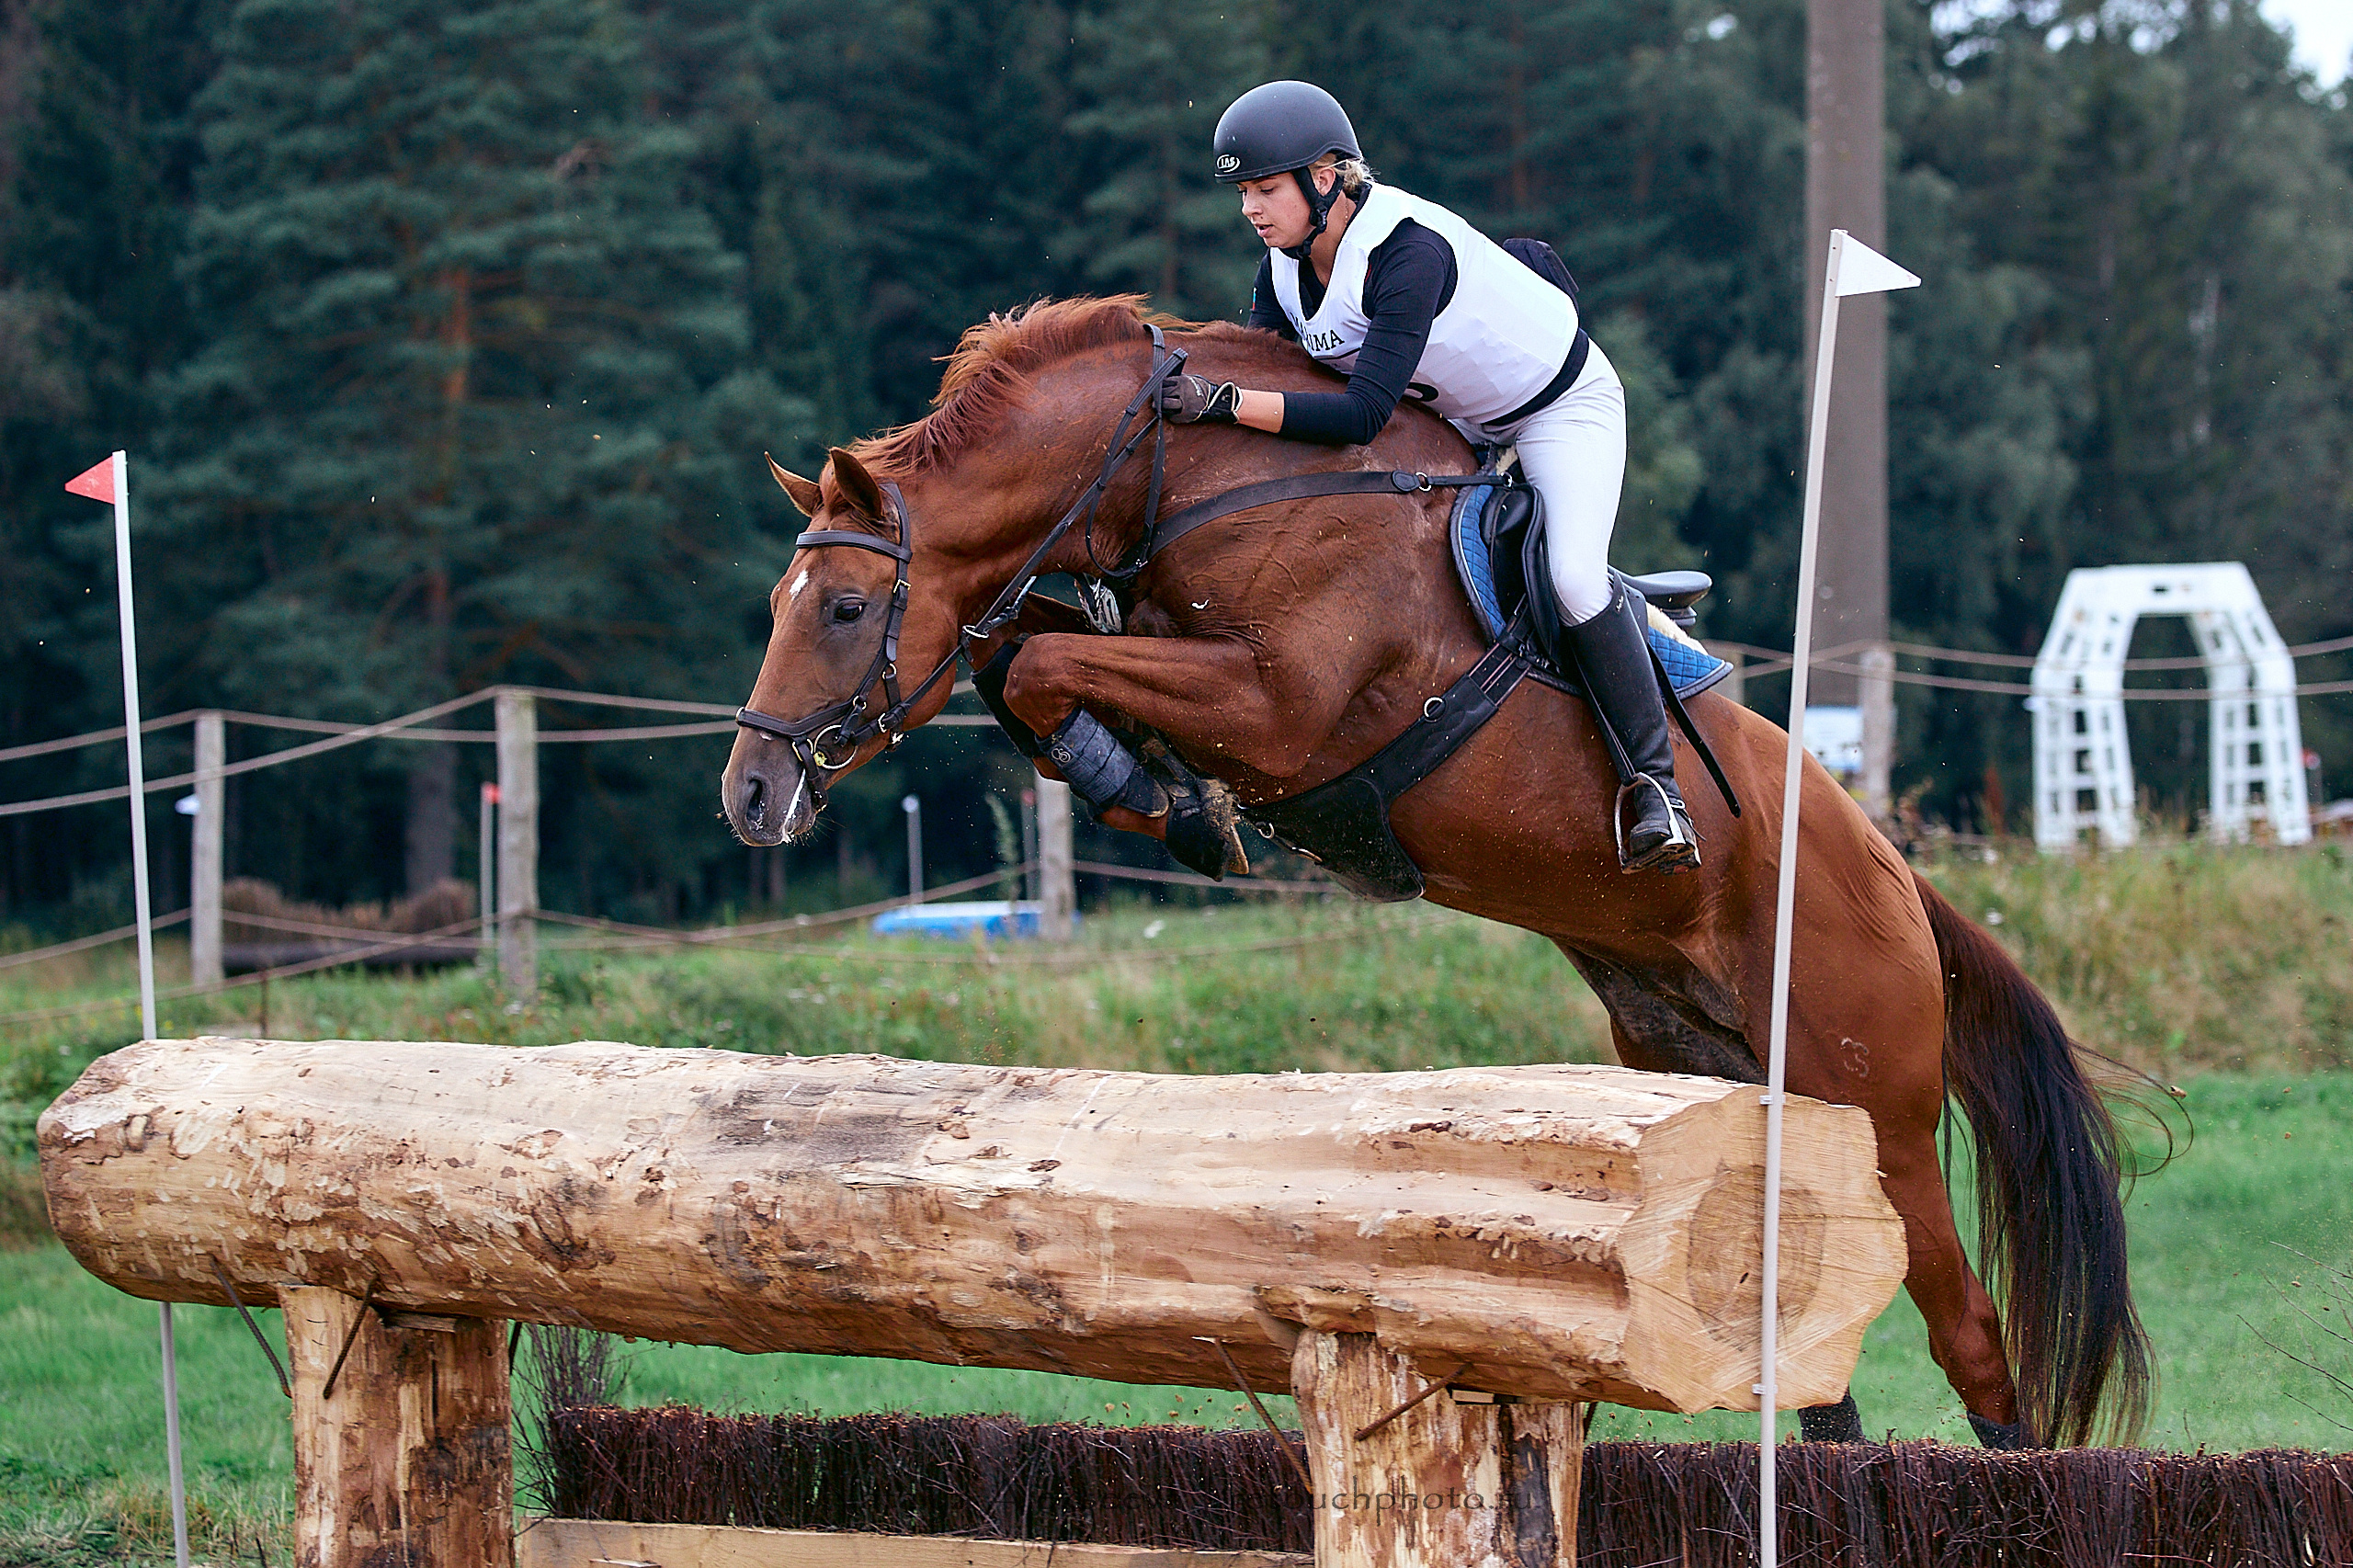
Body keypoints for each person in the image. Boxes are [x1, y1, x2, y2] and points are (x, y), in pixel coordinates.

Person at [1162, 80, 1698, 874]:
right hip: (1455, 423)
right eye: (1243, 192)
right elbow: (1286, 388)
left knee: (1574, 578)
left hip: (1555, 411)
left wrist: (1224, 403)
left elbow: (1358, 414)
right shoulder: (1280, 271)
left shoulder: (1407, 252)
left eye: (1265, 189)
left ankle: (1656, 789)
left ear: (1328, 176)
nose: (1251, 209)